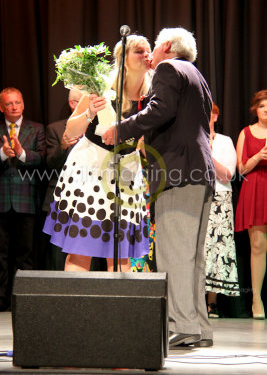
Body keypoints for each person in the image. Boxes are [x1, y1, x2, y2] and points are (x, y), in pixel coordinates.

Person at [103, 27, 215, 347]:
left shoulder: (168, 68)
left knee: (174, 254)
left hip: (178, 173)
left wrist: (121, 128)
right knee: (192, 257)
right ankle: (199, 327)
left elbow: (160, 110)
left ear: (166, 45)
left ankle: (183, 324)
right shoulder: (196, 74)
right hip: (200, 173)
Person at [43, 35, 152, 272]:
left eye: (148, 51)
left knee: (121, 253)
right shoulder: (101, 87)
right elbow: (70, 132)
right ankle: (76, 308)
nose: (146, 55)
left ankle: (119, 309)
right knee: (82, 247)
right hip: (91, 170)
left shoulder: (152, 95)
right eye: (139, 52)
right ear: (123, 59)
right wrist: (89, 112)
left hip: (126, 173)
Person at [0, 87, 46, 311]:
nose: (14, 107)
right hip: (1, 202)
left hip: (26, 201)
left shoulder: (36, 129)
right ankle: (2, 302)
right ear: (1, 107)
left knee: (25, 254)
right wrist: (2, 153)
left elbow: (42, 158)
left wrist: (21, 153)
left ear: (24, 104)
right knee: (0, 256)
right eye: (9, 104)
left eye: (17, 102)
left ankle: (25, 302)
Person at [205, 102, 239, 318]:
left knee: (217, 248)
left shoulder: (225, 141)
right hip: (195, 196)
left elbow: (227, 174)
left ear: (215, 116)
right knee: (197, 248)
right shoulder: (189, 139)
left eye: (208, 114)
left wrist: (207, 152)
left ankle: (212, 302)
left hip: (220, 198)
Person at [41, 89, 83, 270]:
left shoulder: (98, 128)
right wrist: (64, 145)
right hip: (61, 201)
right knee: (59, 255)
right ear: (73, 104)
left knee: (88, 253)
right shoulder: (56, 129)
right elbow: (50, 163)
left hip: (90, 201)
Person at [235, 90, 267, 320]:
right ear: (255, 109)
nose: (266, 110)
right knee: (257, 246)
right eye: (262, 106)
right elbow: (241, 169)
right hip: (255, 188)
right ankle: (256, 299)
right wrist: (258, 156)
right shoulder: (245, 133)